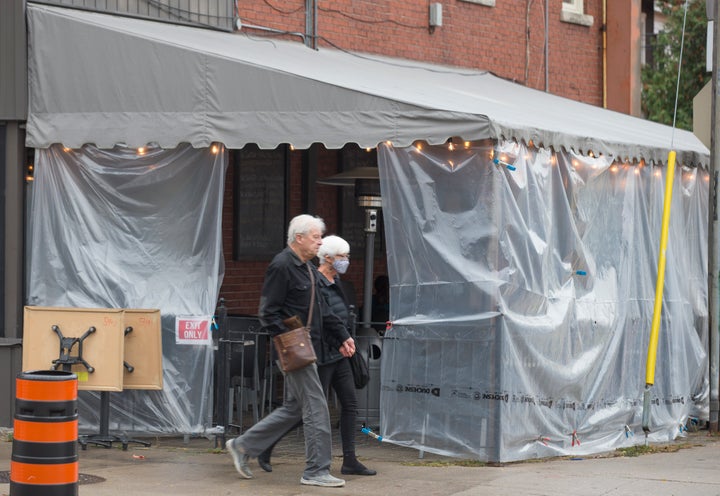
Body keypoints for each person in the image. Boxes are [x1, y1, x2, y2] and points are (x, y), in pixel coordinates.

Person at [226, 214, 355, 488]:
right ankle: (315, 471)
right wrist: (288, 341)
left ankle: (243, 445)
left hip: (310, 347)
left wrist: (342, 335)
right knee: (317, 408)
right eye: (316, 237)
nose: (320, 242)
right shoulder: (282, 265)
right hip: (296, 348)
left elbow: (323, 310)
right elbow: (267, 312)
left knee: (295, 408)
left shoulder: (307, 267)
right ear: (299, 238)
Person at [256, 235, 377, 477]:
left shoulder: (337, 282)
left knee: (350, 404)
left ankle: (350, 459)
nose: (346, 261)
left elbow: (337, 316)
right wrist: (339, 339)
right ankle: (265, 444)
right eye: (342, 257)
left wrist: (345, 339)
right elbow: (323, 318)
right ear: (328, 258)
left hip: (340, 354)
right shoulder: (315, 281)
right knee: (309, 410)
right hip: (320, 355)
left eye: (347, 257)